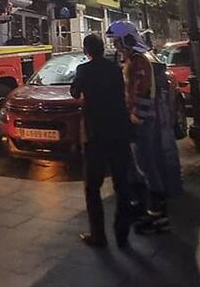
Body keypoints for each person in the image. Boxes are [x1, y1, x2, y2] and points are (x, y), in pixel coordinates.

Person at [106, 20, 183, 235]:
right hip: (142, 121)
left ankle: (159, 215)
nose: (116, 46)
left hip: (141, 122)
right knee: (144, 166)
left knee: (147, 166)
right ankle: (152, 211)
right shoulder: (135, 60)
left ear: (127, 40)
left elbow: (141, 91)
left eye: (118, 42)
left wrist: (135, 117)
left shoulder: (139, 62)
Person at [70, 34, 134, 248]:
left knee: (92, 186)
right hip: (118, 131)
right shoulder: (115, 69)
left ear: (87, 50)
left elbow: (74, 92)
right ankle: (122, 232)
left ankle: (99, 235)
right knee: (122, 183)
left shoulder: (84, 70)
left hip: (95, 133)